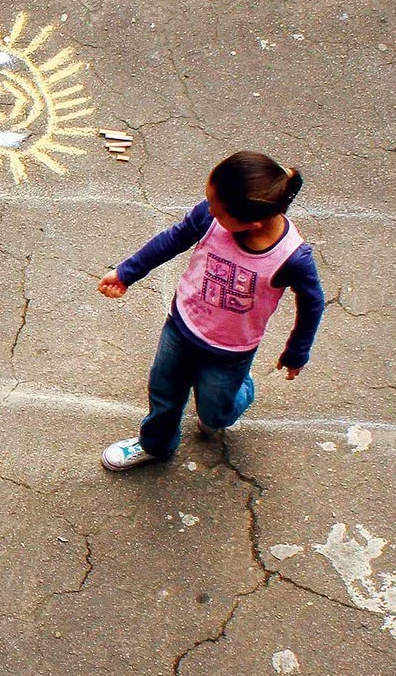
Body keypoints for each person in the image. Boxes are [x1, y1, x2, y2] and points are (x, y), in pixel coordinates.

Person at [98, 151, 326, 470]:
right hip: (182, 326)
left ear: (253, 222)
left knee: (215, 415)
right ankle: (156, 443)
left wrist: (297, 352)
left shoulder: (291, 257)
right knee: (164, 391)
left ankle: (242, 390)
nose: (209, 210)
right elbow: (173, 238)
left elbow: (313, 302)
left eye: (218, 210)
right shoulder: (212, 215)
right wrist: (126, 272)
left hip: (230, 352)